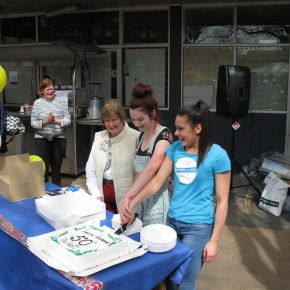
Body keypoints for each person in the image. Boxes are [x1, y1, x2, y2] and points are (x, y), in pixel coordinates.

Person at [122, 100, 231, 290]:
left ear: (198, 128)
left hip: (198, 228)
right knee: (170, 279)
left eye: (181, 129)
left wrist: (214, 241)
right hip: (171, 223)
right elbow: (156, 182)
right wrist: (131, 203)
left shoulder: (217, 155)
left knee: (185, 281)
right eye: (176, 128)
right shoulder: (175, 150)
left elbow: (222, 202)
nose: (176, 133)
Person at [120, 82, 174, 226]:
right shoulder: (141, 137)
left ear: (153, 113)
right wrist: (132, 200)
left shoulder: (164, 135)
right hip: (139, 202)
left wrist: (129, 196)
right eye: (133, 120)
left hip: (156, 204)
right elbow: (139, 172)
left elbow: (150, 171)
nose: (137, 124)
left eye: (141, 119)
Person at [85, 99, 140, 213]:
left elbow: (144, 171)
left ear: (122, 118)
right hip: (102, 198)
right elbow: (90, 168)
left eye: (114, 119)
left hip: (127, 201)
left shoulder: (136, 138)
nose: (110, 124)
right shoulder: (99, 137)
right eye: (107, 120)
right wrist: (96, 194)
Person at [31, 78, 71, 186]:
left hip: (58, 137)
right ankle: (43, 191)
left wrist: (57, 121)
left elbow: (68, 120)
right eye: (47, 89)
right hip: (41, 138)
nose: (50, 92)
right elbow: (33, 123)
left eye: (52, 89)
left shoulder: (61, 102)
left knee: (56, 169)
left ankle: (56, 191)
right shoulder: (37, 103)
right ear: (42, 91)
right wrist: (46, 121)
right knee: (42, 169)